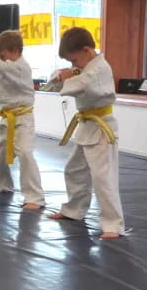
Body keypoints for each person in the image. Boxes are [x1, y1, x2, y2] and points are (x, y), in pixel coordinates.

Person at [47, 27, 125, 239]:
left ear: (86, 50)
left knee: (103, 178)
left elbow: (83, 84)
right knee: (74, 170)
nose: (73, 65)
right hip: (87, 125)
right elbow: (58, 79)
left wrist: (67, 76)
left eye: (74, 60)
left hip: (102, 128)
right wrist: (64, 74)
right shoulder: (85, 68)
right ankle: (73, 210)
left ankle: (113, 225)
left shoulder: (99, 68)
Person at [0, 30, 45, 210]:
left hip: (23, 118)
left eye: (2, 54)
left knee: (24, 152)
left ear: (15, 50)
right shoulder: (5, 66)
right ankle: (3, 184)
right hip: (7, 117)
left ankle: (35, 197)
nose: (0, 58)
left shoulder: (20, 67)